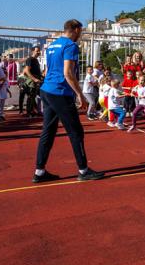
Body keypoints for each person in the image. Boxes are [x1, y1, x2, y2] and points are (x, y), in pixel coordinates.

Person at [33, 19, 103, 182]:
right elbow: (68, 73)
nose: (81, 34)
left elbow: (48, 70)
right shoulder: (70, 46)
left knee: (48, 132)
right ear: (76, 29)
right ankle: (84, 170)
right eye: (81, 31)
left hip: (47, 90)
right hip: (60, 92)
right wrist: (80, 94)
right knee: (75, 132)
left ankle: (39, 172)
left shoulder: (52, 46)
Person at [21, 46, 43, 118]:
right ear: (32, 51)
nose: (39, 52)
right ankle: (29, 112)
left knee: (34, 96)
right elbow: (27, 71)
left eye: (39, 51)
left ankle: (34, 111)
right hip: (32, 81)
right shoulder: (30, 59)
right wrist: (34, 79)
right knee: (31, 97)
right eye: (37, 51)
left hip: (37, 80)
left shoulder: (36, 60)